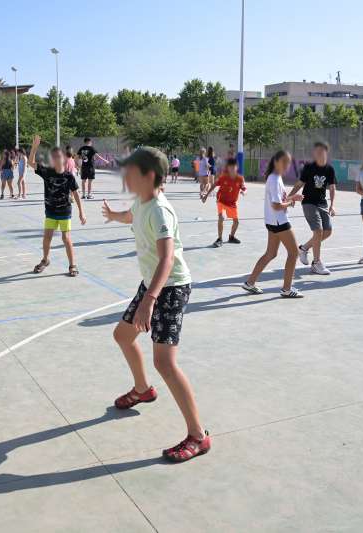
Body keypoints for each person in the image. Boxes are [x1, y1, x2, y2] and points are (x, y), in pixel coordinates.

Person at [101, 146, 210, 463]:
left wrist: (150, 300)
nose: (125, 177)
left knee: (165, 362)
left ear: (149, 176)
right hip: (151, 285)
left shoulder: (161, 210)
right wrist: (115, 216)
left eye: (131, 172)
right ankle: (143, 389)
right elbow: (133, 217)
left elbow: (167, 258)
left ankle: (198, 436)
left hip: (170, 288)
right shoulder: (143, 201)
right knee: (123, 336)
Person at [242, 150, 305, 298]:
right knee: (294, 252)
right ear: (276, 162)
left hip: (272, 222)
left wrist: (292, 197)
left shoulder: (275, 178)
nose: (287, 165)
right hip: (279, 222)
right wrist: (291, 202)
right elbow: (277, 205)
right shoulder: (275, 179)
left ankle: (250, 283)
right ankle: (287, 289)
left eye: (288, 162)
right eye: (284, 162)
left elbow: (280, 199)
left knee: (271, 253)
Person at [27, 135, 86, 277]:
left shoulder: (69, 176)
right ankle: (45, 260)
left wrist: (81, 212)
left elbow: (76, 194)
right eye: (53, 157)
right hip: (50, 211)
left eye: (58, 156)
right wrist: (34, 147)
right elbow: (30, 162)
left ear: (64, 159)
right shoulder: (47, 172)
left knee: (66, 238)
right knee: (47, 237)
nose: (56, 159)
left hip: (65, 212)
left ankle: (72, 265)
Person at [289, 142, 337, 275]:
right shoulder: (309, 167)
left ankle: (304, 248)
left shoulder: (329, 169)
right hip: (308, 202)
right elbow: (300, 183)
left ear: (326, 152)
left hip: (322, 203)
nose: (318, 153)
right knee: (318, 231)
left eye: (321, 151)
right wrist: (291, 196)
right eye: (316, 151)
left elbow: (332, 187)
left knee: (327, 231)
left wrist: (332, 205)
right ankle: (316, 263)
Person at [201, 157, 246, 247]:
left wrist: (243, 192)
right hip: (221, 200)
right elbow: (214, 185)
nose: (232, 169)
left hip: (232, 203)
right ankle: (219, 239)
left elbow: (244, 188)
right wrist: (206, 195)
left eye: (234, 167)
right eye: (230, 167)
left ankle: (231, 237)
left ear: (236, 167)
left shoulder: (240, 178)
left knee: (236, 222)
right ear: (228, 168)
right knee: (221, 218)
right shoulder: (224, 177)